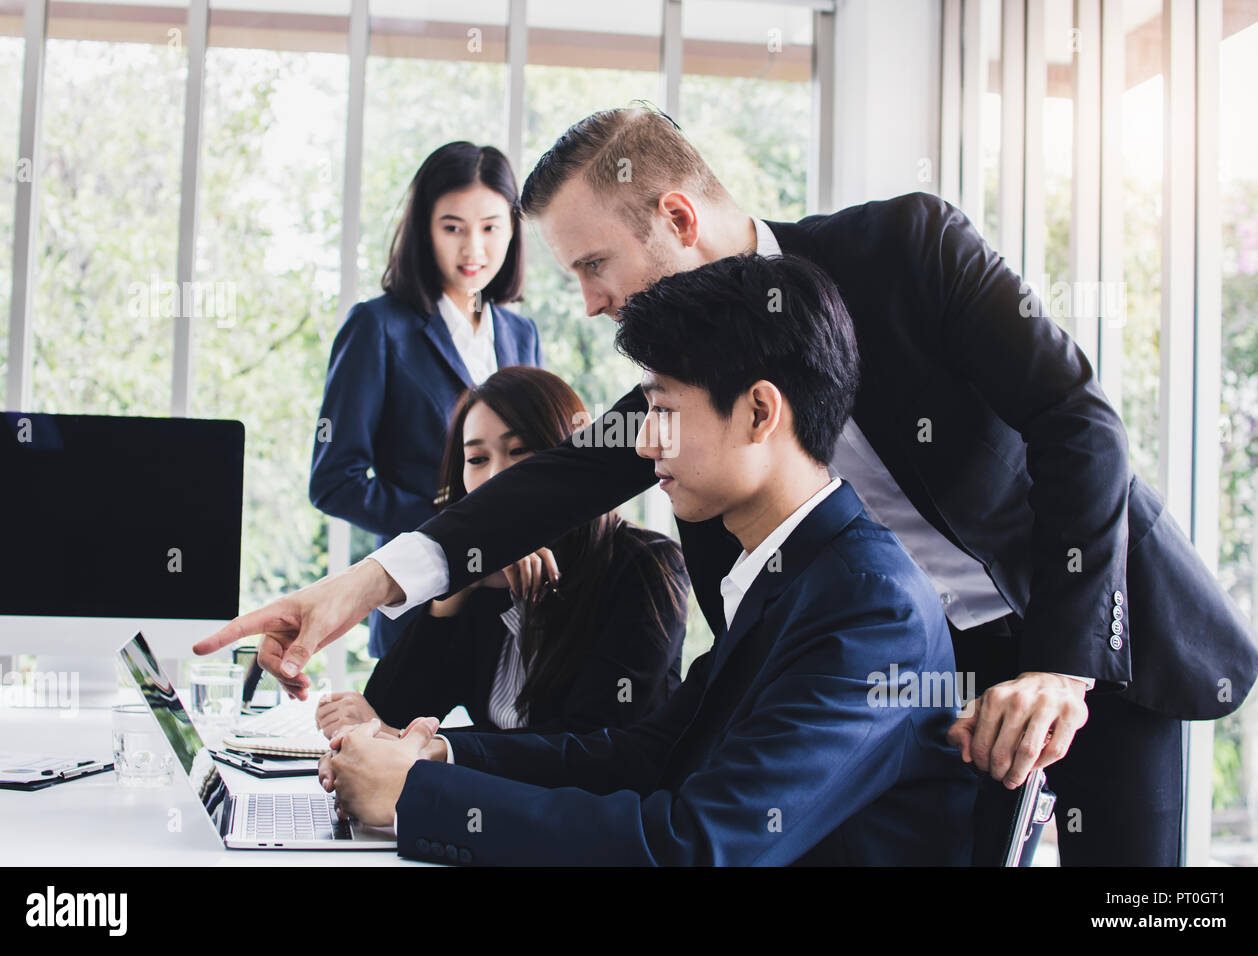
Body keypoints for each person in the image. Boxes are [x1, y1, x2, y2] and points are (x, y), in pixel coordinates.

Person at [197, 105, 1258, 866]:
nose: (592, 304)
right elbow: (555, 484)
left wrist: (1061, 669)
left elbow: (1078, 425)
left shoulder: (906, 250)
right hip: (909, 658)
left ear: (677, 217)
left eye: (596, 267)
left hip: (1084, 635)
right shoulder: (693, 402)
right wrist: (358, 591)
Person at [324, 254, 976, 865]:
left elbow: (699, 846)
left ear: (758, 412)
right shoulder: (793, 572)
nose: (641, 441)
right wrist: (436, 757)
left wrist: (419, 796)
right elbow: (649, 753)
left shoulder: (868, 606)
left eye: (662, 408)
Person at [312, 365, 689, 745]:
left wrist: (420, 745)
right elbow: (389, 714)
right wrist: (454, 595)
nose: (497, 477)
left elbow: (589, 744)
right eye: (476, 460)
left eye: (519, 451)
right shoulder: (484, 579)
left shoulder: (646, 566)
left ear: (568, 458)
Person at [308, 141, 541, 659]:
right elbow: (334, 482)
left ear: (513, 229)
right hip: (417, 608)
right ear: (424, 229)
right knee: (395, 739)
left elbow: (537, 467)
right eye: (452, 227)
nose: (473, 250)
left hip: (515, 609)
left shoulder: (521, 335)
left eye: (491, 227)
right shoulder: (378, 327)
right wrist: (451, 535)